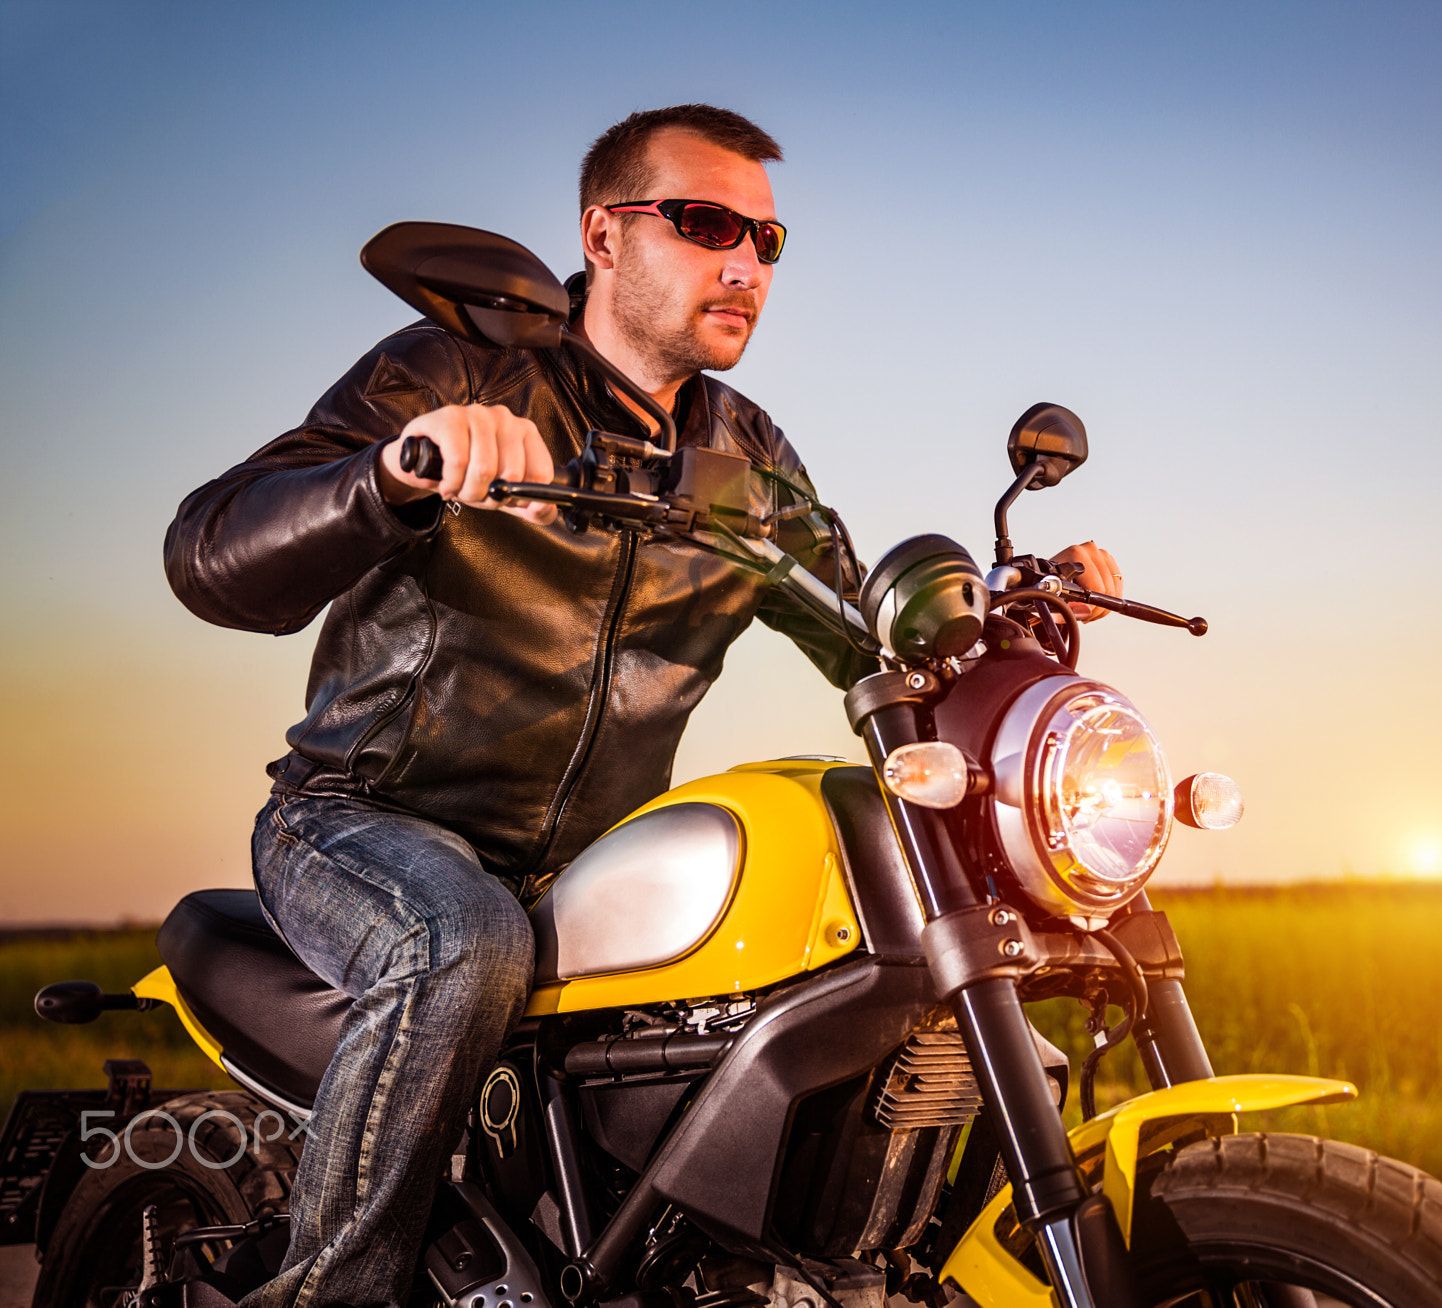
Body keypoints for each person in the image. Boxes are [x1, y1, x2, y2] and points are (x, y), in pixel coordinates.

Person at [164, 104, 1117, 1308]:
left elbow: (867, 639)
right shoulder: (459, 367)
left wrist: (1009, 621)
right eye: (707, 223)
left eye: (768, 240)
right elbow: (206, 555)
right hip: (366, 822)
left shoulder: (750, 465)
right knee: (461, 942)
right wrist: (394, 473)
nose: (745, 263)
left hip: (588, 861)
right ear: (602, 236)